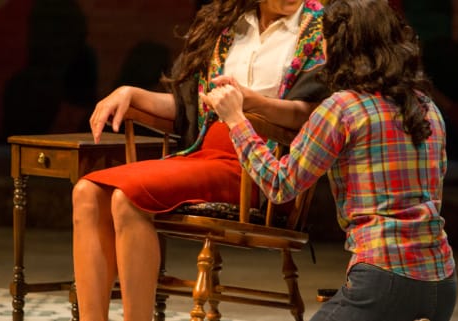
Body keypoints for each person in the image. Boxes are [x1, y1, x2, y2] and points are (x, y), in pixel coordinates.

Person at [71, 1, 328, 320]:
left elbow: (319, 114)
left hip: (263, 164)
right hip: (207, 152)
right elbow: (189, 107)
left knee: (127, 197)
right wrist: (131, 94)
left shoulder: (320, 30)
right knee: (86, 192)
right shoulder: (227, 28)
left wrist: (251, 104)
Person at [201, 0, 457, 320]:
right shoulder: (427, 107)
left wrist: (236, 120)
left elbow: (280, 185)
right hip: (443, 282)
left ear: (338, 45)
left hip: (384, 277)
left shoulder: (343, 108)